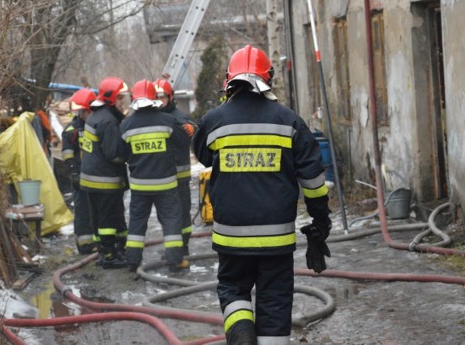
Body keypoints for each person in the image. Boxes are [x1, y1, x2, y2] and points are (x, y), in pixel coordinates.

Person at [192, 45, 331, 345]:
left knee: (233, 290)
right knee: (275, 301)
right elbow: (314, 182)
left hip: (231, 238)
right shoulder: (291, 122)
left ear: (229, 80)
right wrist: (321, 224)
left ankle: (242, 337)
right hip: (276, 242)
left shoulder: (213, 122)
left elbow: (203, 156)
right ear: (269, 79)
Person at [120, 80, 190, 273]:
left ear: (134, 99)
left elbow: (120, 153)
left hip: (140, 186)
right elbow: (183, 141)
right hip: (166, 184)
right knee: (171, 220)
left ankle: (133, 262)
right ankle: (175, 260)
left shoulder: (126, 125)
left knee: (137, 222)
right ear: (154, 99)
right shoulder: (167, 121)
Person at [80, 77, 130, 268]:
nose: (122, 103)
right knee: (110, 220)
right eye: (119, 99)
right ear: (110, 99)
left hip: (92, 179)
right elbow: (113, 154)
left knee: (99, 219)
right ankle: (111, 256)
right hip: (105, 180)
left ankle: (106, 252)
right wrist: (129, 154)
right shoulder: (108, 121)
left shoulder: (95, 115)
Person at [154, 78, 197, 255]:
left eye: (162, 97)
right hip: (162, 177)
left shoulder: (180, 117)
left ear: (170, 97)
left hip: (179, 177)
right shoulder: (153, 118)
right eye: (155, 98)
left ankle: (183, 246)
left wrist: (192, 129)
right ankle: (173, 247)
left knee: (183, 213)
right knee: (166, 215)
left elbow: (195, 132)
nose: (159, 101)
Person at [62, 88, 98, 254]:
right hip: (80, 177)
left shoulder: (98, 125)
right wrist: (73, 173)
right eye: (84, 112)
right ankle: (85, 245)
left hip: (96, 177)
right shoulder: (71, 131)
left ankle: (98, 242)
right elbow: (67, 154)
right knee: (83, 212)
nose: (86, 114)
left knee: (97, 210)